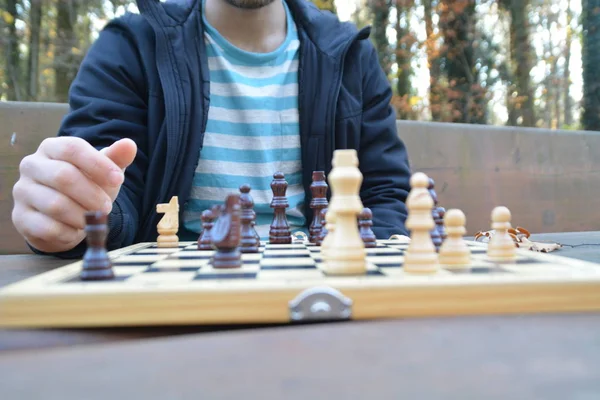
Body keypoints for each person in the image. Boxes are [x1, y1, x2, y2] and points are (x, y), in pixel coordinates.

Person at [11, 0, 412, 258]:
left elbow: (386, 193)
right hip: (175, 306)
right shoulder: (132, 45)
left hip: (321, 298)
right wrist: (75, 212)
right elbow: (111, 187)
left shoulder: (351, 55)